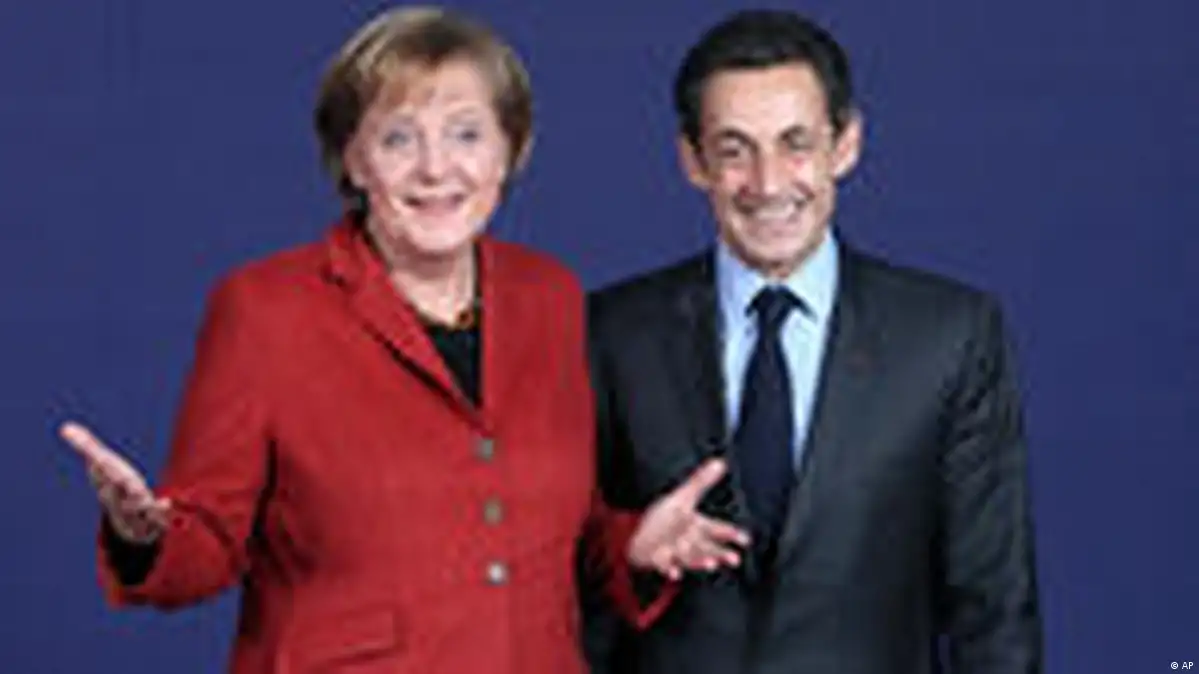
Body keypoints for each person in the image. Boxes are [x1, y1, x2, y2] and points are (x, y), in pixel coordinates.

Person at [58, 6, 748, 673]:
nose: (434, 168)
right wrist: (144, 535)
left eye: (466, 134)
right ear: (353, 161)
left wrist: (632, 545)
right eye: (397, 139)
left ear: (509, 150)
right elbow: (207, 546)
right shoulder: (264, 310)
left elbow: (545, 527)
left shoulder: (549, 296)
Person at [581, 9, 1044, 674]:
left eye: (795, 143)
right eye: (734, 150)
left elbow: (993, 607)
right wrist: (629, 552)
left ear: (845, 144)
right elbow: (567, 585)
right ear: (692, 160)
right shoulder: (612, 333)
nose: (768, 183)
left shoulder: (949, 337)